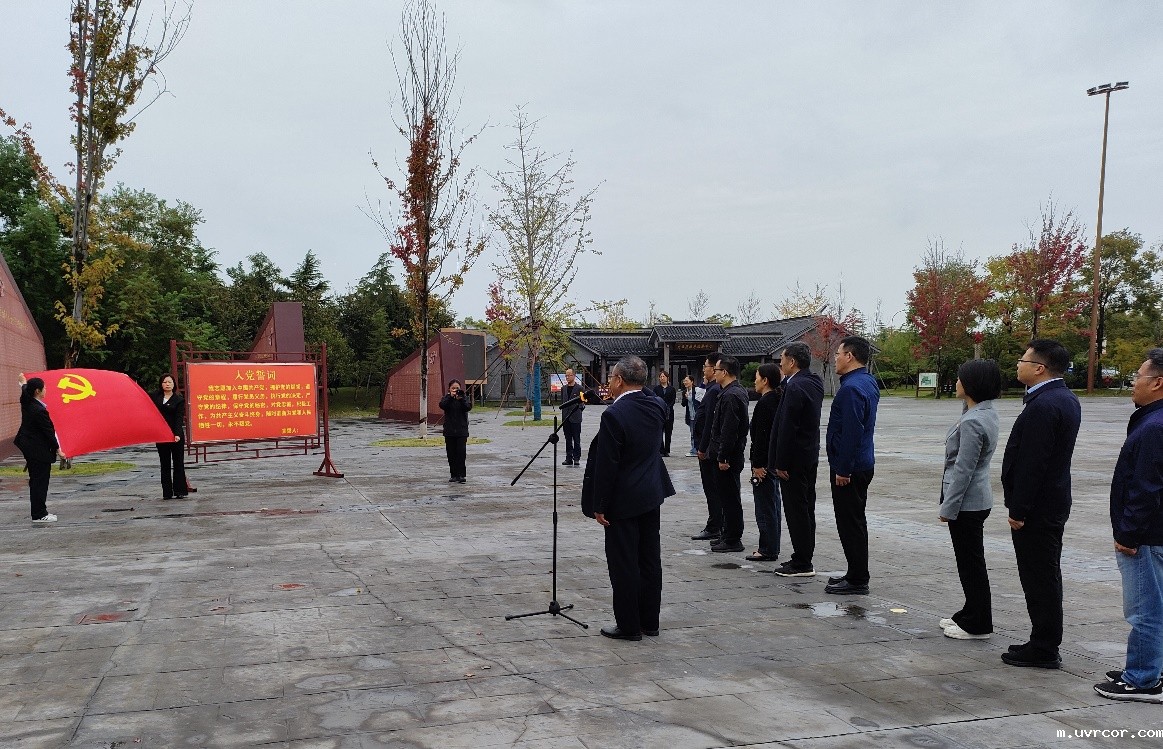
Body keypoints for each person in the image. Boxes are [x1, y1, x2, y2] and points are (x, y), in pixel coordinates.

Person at [1000, 339, 1081, 669]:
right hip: (1051, 502)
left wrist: (1019, 509)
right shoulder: (1063, 398)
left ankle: (1045, 646)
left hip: (1038, 508)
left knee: (1040, 577)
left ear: (1039, 368)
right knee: (1043, 574)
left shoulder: (1045, 405)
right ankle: (1042, 640)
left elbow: (1034, 463)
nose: (1018, 365)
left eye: (1023, 360)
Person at [581, 355, 675, 641]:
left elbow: (608, 465)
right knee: (649, 560)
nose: (609, 382)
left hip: (622, 499)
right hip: (650, 493)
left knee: (623, 563)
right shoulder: (657, 405)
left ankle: (629, 625)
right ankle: (650, 621)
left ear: (619, 380)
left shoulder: (615, 414)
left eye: (611, 377)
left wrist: (599, 505)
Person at [1094, 348, 1163, 702]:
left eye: (1138, 376)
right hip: (1153, 533)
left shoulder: (1154, 426)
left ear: (1158, 382)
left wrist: (1128, 534)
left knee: (1145, 609)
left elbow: (1146, 487)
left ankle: (1143, 679)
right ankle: (1150, 668)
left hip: (1146, 535)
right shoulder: (1152, 421)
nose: (1133, 382)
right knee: (1155, 605)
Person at [938, 359, 1003, 640]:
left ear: (972, 384)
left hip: (968, 502)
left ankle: (979, 623)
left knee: (970, 563)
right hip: (976, 498)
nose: (956, 383)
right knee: (969, 561)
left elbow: (963, 469)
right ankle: (971, 610)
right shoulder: (982, 411)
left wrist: (948, 508)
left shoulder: (974, 421)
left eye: (960, 379)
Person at [825, 336, 880, 595]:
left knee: (850, 523)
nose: (835, 358)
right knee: (855, 521)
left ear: (850, 356)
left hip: (851, 467)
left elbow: (851, 431)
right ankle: (855, 572)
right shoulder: (867, 381)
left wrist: (843, 468)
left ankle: (858, 579)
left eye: (838, 353)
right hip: (862, 462)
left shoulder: (851, 389)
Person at [769, 342, 824, 578]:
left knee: (796, 510)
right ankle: (803, 555)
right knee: (806, 507)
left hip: (794, 460)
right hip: (808, 454)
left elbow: (788, 427)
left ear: (792, 361)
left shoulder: (796, 386)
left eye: (782, 358)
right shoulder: (813, 382)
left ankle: (802, 561)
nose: (780, 362)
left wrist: (781, 463)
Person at [707, 355, 749, 553]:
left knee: (730, 498)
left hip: (728, 457)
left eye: (716, 370)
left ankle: (733, 538)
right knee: (726, 497)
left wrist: (723, 456)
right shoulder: (732, 392)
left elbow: (729, 430)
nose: (713, 373)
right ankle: (727, 534)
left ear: (724, 372)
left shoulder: (731, 395)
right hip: (728, 454)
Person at [14, 374, 66, 523]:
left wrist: (23, 383)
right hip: (38, 451)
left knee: (36, 481)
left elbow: (25, 391)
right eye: (44, 388)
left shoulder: (27, 402)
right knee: (39, 482)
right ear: (37, 391)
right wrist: (58, 450)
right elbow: (49, 432)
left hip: (30, 448)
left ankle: (38, 512)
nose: (46, 390)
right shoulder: (38, 410)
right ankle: (39, 514)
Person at [746, 363, 782, 562]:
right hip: (774, 460)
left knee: (765, 506)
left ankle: (767, 548)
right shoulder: (777, 399)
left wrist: (758, 465)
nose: (755, 381)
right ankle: (771, 545)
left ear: (765, 380)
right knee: (773, 505)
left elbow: (761, 437)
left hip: (764, 464)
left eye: (757, 377)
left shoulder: (766, 403)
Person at [691, 354, 723, 541]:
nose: (704, 370)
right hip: (711, 446)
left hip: (709, 448)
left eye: (706, 367)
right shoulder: (711, 388)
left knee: (712, 489)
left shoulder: (714, 390)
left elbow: (708, 422)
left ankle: (715, 525)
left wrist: (702, 448)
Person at [153, 373, 188, 500]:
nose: (167, 384)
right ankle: (167, 492)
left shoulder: (179, 400)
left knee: (178, 463)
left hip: (175, 436)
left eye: (170, 382)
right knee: (165, 464)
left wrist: (177, 434)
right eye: (165, 382)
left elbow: (179, 419)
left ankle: (179, 491)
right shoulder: (155, 397)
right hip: (161, 435)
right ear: (161, 384)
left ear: (174, 384)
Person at [438, 379, 472, 484]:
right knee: (451, 454)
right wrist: (450, 397)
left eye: (457, 388)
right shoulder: (446, 398)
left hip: (462, 431)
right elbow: (442, 405)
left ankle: (461, 475)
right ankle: (453, 475)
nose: (455, 390)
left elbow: (468, 407)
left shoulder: (464, 398)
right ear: (449, 389)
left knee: (461, 453)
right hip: (449, 431)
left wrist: (460, 399)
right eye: (453, 388)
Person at [560, 368, 585, 466]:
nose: (567, 377)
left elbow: (583, 402)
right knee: (568, 439)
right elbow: (563, 402)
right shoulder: (563, 388)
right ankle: (568, 458)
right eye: (566, 375)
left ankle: (577, 458)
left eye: (569, 375)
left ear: (574, 376)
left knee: (576, 439)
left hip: (575, 417)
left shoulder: (580, 388)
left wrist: (579, 409)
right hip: (566, 417)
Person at [652, 371, 677, 457]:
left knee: (668, 432)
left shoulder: (672, 389)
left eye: (664, 376)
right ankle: (661, 449)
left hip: (669, 413)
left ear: (667, 378)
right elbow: (654, 399)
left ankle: (667, 450)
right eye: (661, 377)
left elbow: (673, 400)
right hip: (659, 412)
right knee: (659, 431)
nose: (662, 378)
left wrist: (667, 407)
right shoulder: (656, 389)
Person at [681, 374, 699, 457]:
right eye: (684, 381)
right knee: (692, 434)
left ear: (692, 381)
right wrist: (686, 398)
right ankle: (694, 449)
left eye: (687, 381)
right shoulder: (685, 392)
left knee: (698, 432)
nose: (685, 382)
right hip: (690, 415)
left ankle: (698, 449)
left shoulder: (697, 390)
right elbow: (683, 404)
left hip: (697, 415)